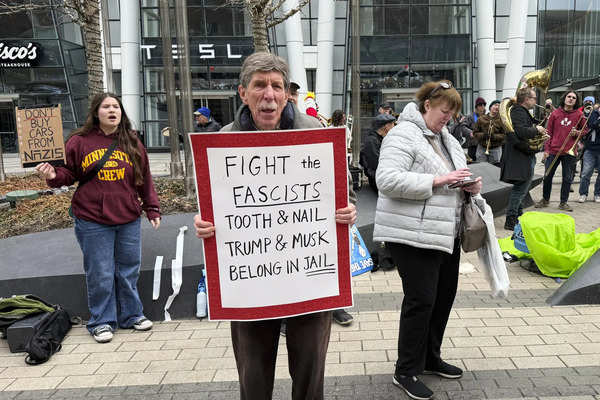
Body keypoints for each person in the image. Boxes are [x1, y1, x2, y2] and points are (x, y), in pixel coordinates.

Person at [193, 52, 357, 400]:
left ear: (286, 94)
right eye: (259, 86)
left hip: (309, 277)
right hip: (251, 282)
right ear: (243, 93)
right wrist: (204, 224)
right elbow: (210, 206)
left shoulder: (316, 134)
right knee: (253, 374)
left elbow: (345, 192)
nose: (268, 95)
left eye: (276, 86)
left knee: (311, 372)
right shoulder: (222, 141)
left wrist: (347, 210)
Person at [374, 80, 482, 400]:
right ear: (427, 106)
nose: (448, 116)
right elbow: (387, 179)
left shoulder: (445, 137)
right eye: (444, 110)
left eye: (452, 112)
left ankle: (430, 357)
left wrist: (468, 185)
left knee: (443, 297)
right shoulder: (402, 133)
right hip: (411, 234)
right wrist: (438, 180)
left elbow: (456, 176)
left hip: (444, 231)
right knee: (420, 301)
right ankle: (406, 370)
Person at [35, 93, 160, 343]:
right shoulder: (79, 142)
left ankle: (132, 315)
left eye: (116, 107)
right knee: (100, 272)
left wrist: (152, 207)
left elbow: (144, 177)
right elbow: (68, 174)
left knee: (128, 270)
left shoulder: (132, 141)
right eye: (106, 107)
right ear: (96, 113)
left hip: (127, 217)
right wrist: (51, 175)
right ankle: (101, 321)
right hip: (92, 218)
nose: (112, 110)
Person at [500, 88, 547, 230]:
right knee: (520, 189)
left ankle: (518, 217)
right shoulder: (519, 111)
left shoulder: (520, 111)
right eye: (534, 98)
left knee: (521, 189)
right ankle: (511, 219)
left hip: (523, 156)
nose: (535, 101)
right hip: (520, 157)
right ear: (526, 99)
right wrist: (536, 130)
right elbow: (520, 132)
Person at [535, 91, 586, 211]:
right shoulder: (555, 113)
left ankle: (563, 202)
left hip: (570, 152)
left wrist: (578, 133)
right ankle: (545, 199)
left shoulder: (579, 114)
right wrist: (546, 150)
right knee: (547, 176)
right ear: (564, 98)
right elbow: (549, 133)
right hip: (553, 151)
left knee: (567, 178)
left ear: (576, 101)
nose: (571, 99)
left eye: (574, 97)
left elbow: (585, 130)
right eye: (569, 96)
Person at [360, 113, 396, 191]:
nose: (394, 127)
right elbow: (376, 164)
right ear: (386, 126)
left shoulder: (379, 138)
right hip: (378, 181)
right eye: (393, 124)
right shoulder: (372, 141)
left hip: (381, 178)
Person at [578, 98, 600, 203]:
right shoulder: (593, 113)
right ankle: (583, 193)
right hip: (590, 148)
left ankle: (597, 194)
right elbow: (591, 125)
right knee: (586, 173)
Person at [473, 99, 506, 164]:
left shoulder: (502, 120)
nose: (497, 107)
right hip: (482, 148)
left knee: (494, 168)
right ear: (490, 107)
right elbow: (475, 133)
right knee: (481, 167)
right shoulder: (481, 118)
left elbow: (505, 135)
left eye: (499, 106)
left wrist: (494, 136)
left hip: (495, 149)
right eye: (495, 105)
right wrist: (484, 135)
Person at [464, 97, 487, 161]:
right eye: (480, 105)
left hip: (483, 145)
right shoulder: (470, 116)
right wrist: (470, 132)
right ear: (476, 107)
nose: (482, 107)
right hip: (473, 145)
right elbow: (463, 127)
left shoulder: (486, 117)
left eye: (484, 105)